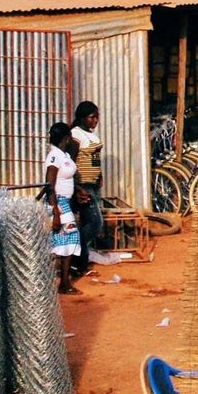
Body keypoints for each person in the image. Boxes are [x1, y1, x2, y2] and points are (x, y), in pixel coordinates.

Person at [43, 122, 82, 295]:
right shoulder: (54, 156)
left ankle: (63, 282)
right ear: (65, 138)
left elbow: (67, 178)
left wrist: (78, 190)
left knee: (66, 241)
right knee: (70, 238)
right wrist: (56, 213)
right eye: (68, 138)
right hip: (58, 202)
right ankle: (64, 283)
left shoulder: (64, 154)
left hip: (65, 201)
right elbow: (49, 184)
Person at [71, 101, 105, 272]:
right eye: (92, 117)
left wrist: (100, 175)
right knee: (96, 223)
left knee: (88, 222)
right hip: (83, 185)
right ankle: (76, 253)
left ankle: (80, 262)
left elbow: (95, 158)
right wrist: (77, 187)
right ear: (82, 118)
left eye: (97, 117)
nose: (95, 120)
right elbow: (70, 161)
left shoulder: (90, 134)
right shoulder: (75, 135)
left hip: (93, 183)